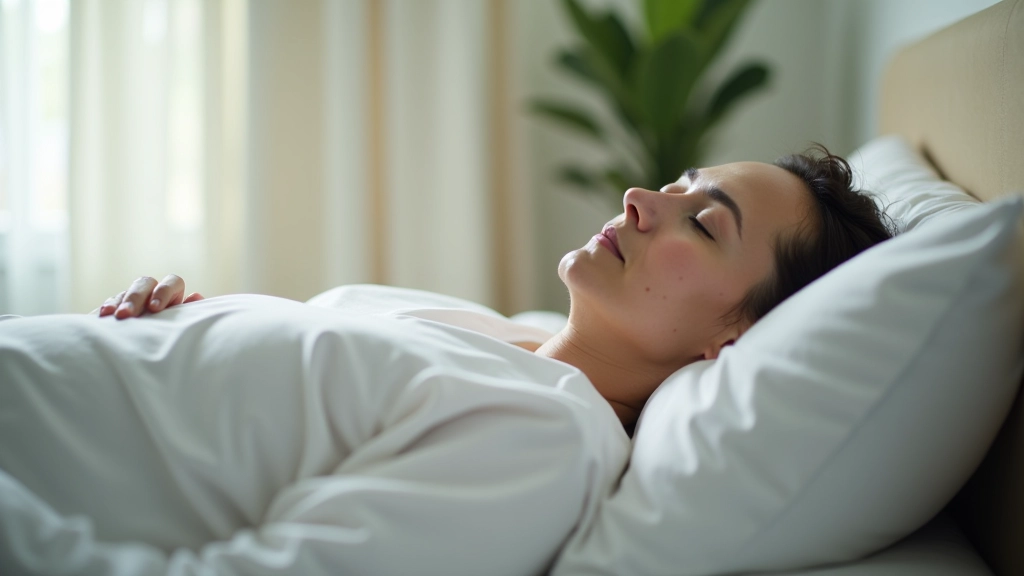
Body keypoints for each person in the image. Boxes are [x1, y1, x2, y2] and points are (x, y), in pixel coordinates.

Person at [0, 147, 892, 576]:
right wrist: (160, 333)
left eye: (705, 222)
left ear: (732, 341)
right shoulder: (504, 334)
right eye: (681, 183)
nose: (643, 198)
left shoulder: (544, 439)